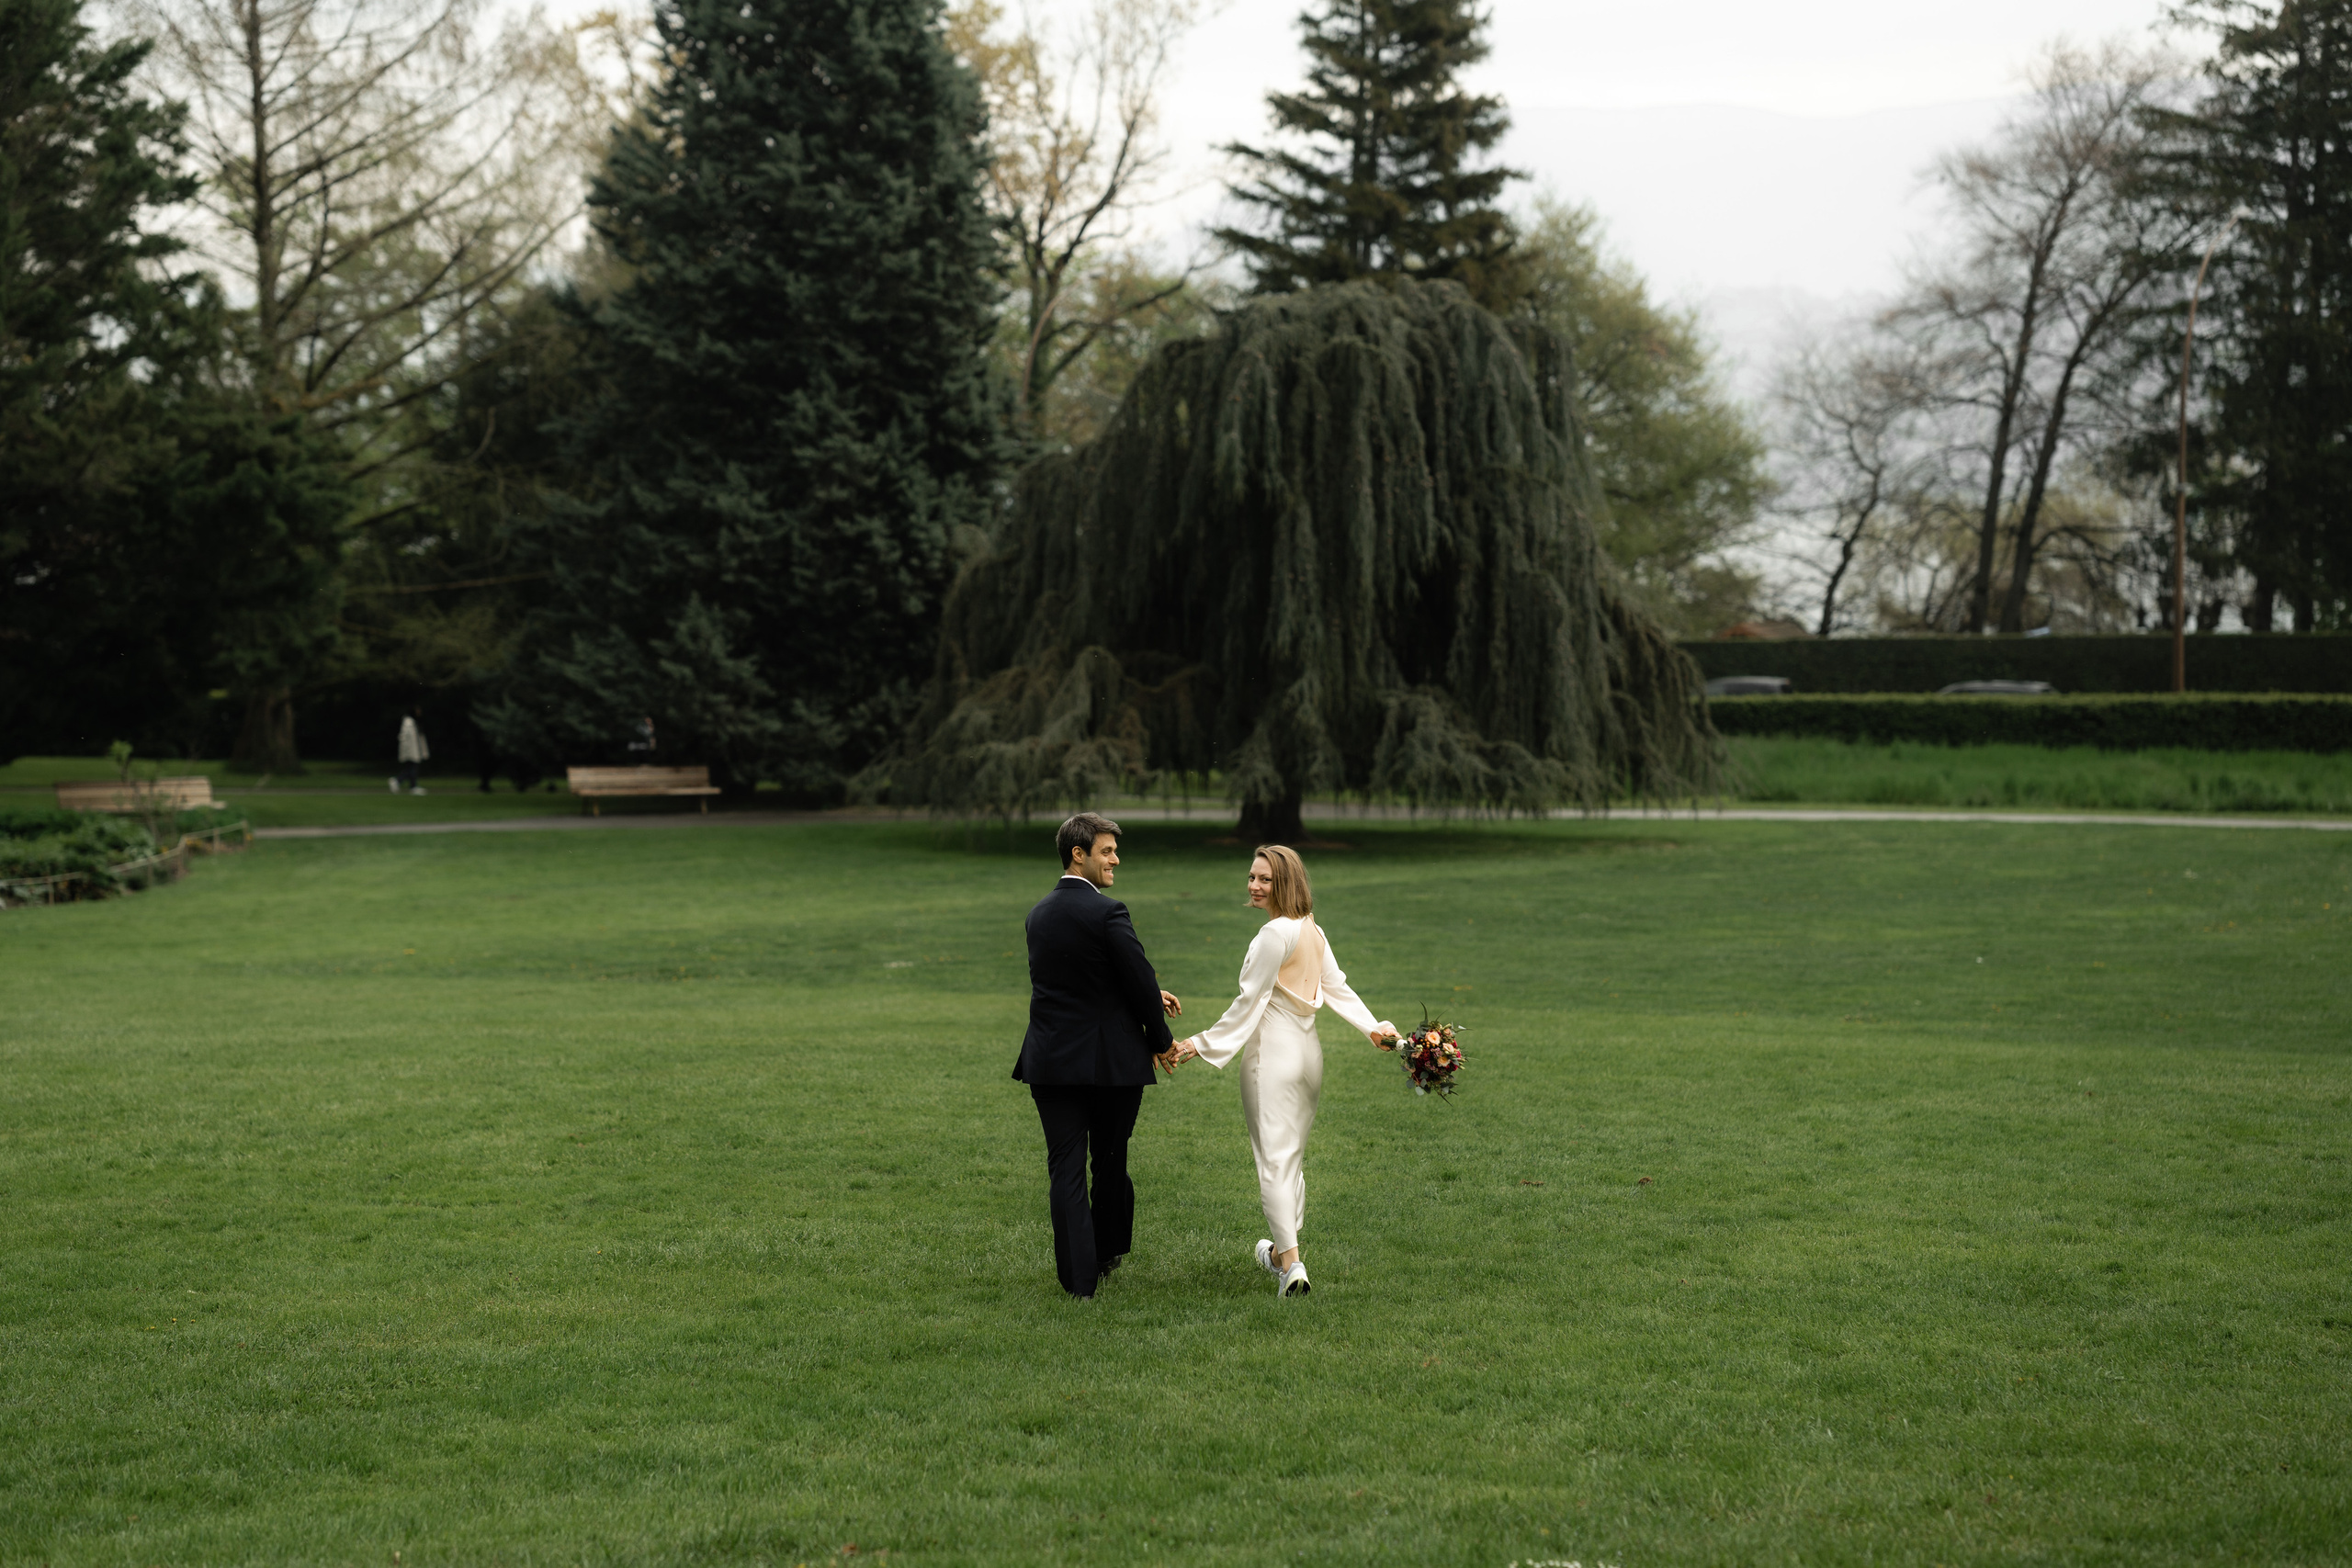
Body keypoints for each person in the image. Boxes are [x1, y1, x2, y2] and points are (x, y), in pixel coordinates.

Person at [1167, 845, 1395, 1299]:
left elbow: (1248, 1003)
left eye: (1265, 879)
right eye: (1252, 877)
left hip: (1272, 1057)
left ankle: (1291, 1266)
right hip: (1309, 1058)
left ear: (1285, 883)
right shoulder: (1312, 929)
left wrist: (1197, 1044)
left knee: (1274, 1160)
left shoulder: (1274, 934)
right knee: (1289, 1160)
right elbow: (1338, 988)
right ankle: (1277, 1256)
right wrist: (1373, 1027)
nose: (1254, 886)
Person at [1014, 812, 1184, 1299]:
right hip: (1112, 1064)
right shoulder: (1109, 912)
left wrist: (1147, 992)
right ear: (1078, 854)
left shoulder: (1038, 914)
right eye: (1107, 851)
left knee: (1064, 1168)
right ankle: (1107, 1251)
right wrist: (1162, 1041)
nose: (1115, 860)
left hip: (1050, 1061)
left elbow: (1081, 981)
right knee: (1109, 1161)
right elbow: (1135, 978)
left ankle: (1078, 1282)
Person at [392, 707, 429, 795]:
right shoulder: (408, 722)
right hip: (410, 750)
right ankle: (406, 784)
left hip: (414, 750)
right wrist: (407, 751)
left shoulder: (414, 722)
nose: (419, 712)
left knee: (411, 768)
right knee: (412, 768)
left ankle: (403, 783)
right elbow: (404, 737)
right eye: (417, 710)